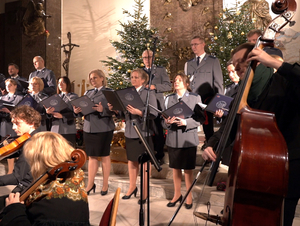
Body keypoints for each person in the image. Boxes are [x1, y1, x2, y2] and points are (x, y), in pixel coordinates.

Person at [202, 42, 300, 226]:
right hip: (252, 171)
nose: (236, 67)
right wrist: (210, 145)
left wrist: (277, 64)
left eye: (241, 62)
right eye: (234, 63)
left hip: (285, 168)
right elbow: (228, 128)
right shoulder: (241, 94)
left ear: (258, 60)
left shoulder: (282, 82)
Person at [0, 132, 90, 226]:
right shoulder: (72, 182)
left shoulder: (50, 201)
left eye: (31, 160)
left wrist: (14, 209)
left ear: (40, 162)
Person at [109, 68, 158, 204]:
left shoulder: (148, 93)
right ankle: (132, 187)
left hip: (143, 131)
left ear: (143, 80)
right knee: (131, 161)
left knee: (144, 164)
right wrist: (115, 110)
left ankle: (144, 191)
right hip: (130, 130)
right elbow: (122, 113)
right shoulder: (127, 93)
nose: (133, 79)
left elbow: (154, 113)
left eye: (136, 77)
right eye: (132, 77)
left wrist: (140, 112)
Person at [163, 72, 201, 209]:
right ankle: (177, 194)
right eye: (175, 80)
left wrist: (186, 122)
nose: (176, 82)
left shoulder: (195, 98)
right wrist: (167, 122)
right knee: (175, 168)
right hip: (173, 137)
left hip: (188, 138)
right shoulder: (168, 99)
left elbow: (200, 119)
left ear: (186, 83)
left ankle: (188, 196)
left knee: (188, 169)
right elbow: (163, 121)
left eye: (179, 80)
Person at [73, 69, 115, 196]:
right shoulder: (88, 92)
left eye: (95, 78)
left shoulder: (109, 92)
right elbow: (84, 108)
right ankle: (90, 184)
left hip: (104, 127)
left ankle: (105, 184)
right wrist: (77, 111)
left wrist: (103, 109)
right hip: (89, 127)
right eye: (91, 79)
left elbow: (116, 111)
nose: (93, 81)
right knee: (91, 156)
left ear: (102, 78)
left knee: (104, 155)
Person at [184, 35, 223, 144]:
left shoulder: (212, 61)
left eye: (196, 44)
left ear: (203, 44)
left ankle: (210, 145)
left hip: (207, 99)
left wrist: (219, 104)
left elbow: (218, 83)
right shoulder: (189, 63)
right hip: (192, 99)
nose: (193, 47)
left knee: (208, 127)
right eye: (192, 45)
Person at [0, 105, 41, 195]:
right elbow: (11, 152)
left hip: (30, 189)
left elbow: (17, 177)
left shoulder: (32, 143)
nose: (13, 127)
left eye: (17, 123)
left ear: (31, 123)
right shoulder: (33, 137)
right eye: (13, 124)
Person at [142, 49, 171, 163]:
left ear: (154, 58)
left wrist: (155, 87)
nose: (147, 60)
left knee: (158, 130)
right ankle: (148, 152)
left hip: (157, 105)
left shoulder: (160, 70)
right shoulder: (141, 72)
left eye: (149, 57)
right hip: (144, 104)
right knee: (147, 129)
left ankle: (159, 154)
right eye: (144, 58)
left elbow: (168, 86)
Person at [0, 79, 24, 174]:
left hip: (16, 125)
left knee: (18, 148)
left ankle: (19, 171)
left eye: (10, 85)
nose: (8, 87)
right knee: (8, 148)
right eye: (7, 85)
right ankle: (10, 171)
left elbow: (22, 112)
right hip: (5, 124)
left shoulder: (20, 98)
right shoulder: (2, 98)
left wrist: (10, 112)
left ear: (15, 86)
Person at [45, 76, 78, 146]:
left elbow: (76, 113)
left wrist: (62, 116)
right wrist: (48, 113)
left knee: (68, 152)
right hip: (55, 128)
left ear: (67, 84)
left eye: (63, 82)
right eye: (59, 83)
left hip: (67, 128)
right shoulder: (54, 97)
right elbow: (50, 115)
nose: (60, 84)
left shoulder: (73, 97)